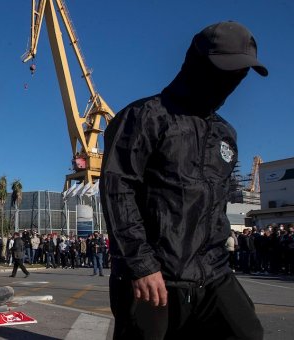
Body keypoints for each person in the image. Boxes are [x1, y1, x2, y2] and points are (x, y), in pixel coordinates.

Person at [99, 21, 267, 339]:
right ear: (196, 63)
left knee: (247, 332)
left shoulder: (225, 135)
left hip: (212, 274)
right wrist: (141, 265)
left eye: (241, 73)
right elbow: (117, 190)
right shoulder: (143, 117)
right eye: (227, 70)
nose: (234, 81)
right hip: (152, 277)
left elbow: (213, 209)